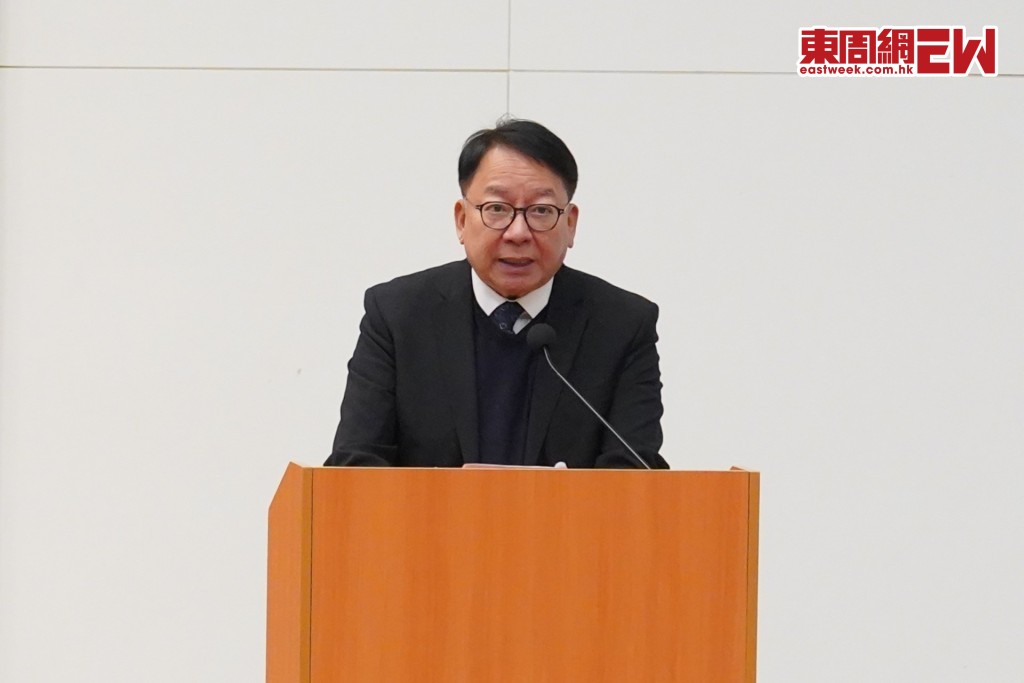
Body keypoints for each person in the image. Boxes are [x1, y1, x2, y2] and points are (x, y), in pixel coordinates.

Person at [325, 118, 667, 469]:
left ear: (570, 224)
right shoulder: (398, 316)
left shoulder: (622, 326)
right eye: (497, 209)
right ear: (461, 220)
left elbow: (634, 474)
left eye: (541, 211)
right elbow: (356, 465)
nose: (518, 233)